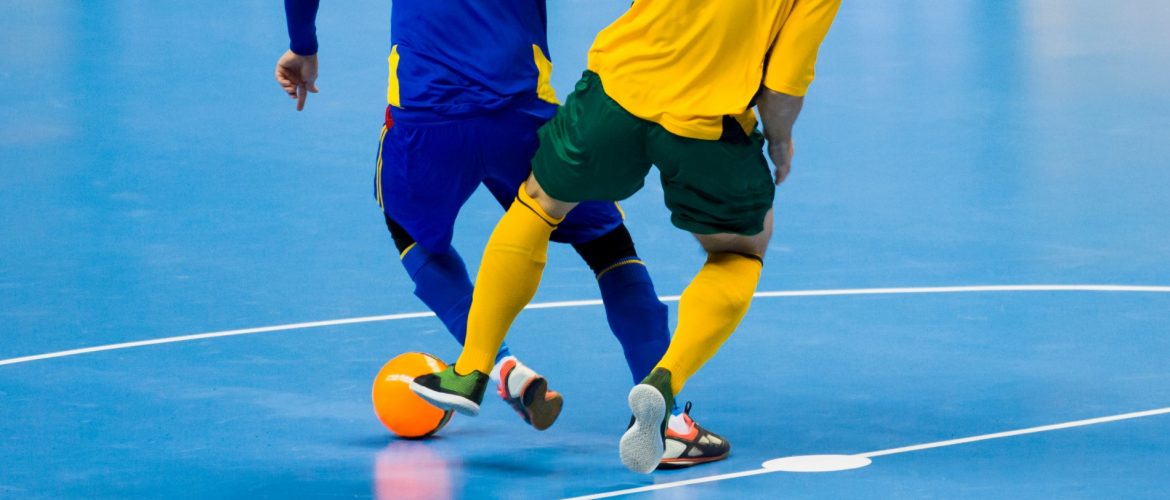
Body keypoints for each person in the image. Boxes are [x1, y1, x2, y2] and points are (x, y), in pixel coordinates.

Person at [275, 0, 730, 467]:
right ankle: (667, 422)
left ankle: (494, 364)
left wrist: (302, 44)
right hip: (521, 114)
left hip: (426, 118)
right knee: (607, 246)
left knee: (408, 229)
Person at [411, 0, 841, 473]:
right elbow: (782, 87)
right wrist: (779, 140)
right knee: (739, 250)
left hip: (616, 94)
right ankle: (663, 384)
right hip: (708, 125)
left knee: (537, 205)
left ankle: (472, 367)